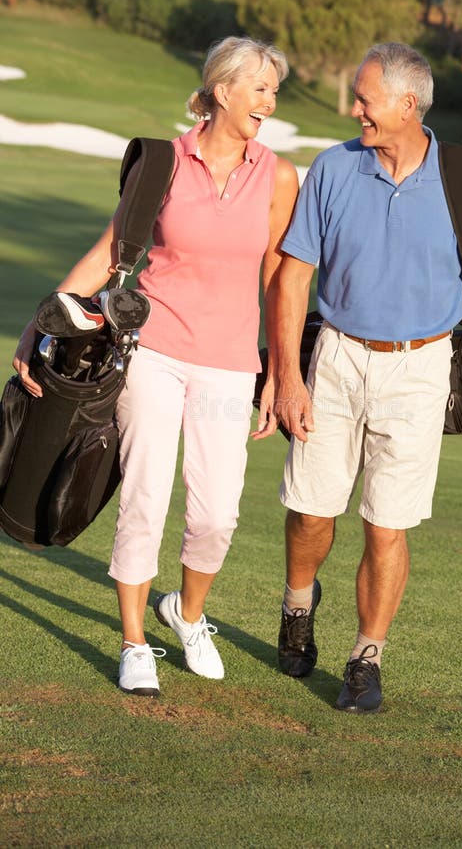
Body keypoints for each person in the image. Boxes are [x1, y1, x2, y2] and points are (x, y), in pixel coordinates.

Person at [263, 42, 462, 714]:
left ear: (407, 104)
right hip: (336, 357)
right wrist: (287, 375)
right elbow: (293, 280)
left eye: (365, 98)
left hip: (422, 368)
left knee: (386, 524)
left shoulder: (460, 175)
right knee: (312, 510)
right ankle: (298, 603)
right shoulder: (335, 168)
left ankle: (366, 658)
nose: (354, 109)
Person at [13, 36, 299, 697]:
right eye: (259, 88)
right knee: (145, 492)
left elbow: (284, 275)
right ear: (223, 90)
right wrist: (39, 320)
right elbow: (113, 250)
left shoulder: (278, 176)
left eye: (274, 90)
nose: (269, 101)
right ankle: (135, 641)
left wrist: (280, 371)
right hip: (155, 351)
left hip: (229, 364)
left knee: (218, 512)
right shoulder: (165, 161)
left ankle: (187, 613)